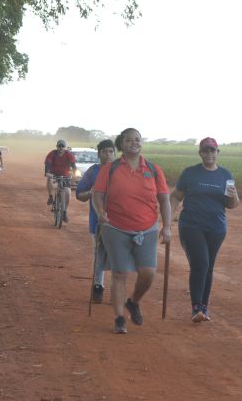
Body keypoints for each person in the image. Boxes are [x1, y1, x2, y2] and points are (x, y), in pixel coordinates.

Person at [92, 128, 171, 334]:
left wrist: (168, 226)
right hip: (115, 227)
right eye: (129, 140)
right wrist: (100, 212)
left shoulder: (153, 169)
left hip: (147, 228)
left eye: (137, 140)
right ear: (122, 143)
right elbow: (98, 194)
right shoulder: (110, 168)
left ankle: (133, 301)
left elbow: (164, 199)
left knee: (148, 272)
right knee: (119, 273)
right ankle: (119, 318)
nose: (134, 143)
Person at [169, 137, 240, 323]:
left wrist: (233, 197)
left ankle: (203, 308)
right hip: (191, 225)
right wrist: (167, 220)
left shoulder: (225, 175)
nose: (209, 154)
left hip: (216, 227)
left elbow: (232, 204)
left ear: (217, 153)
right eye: (205, 151)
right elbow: (175, 196)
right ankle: (196, 308)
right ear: (200, 153)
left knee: (208, 267)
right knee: (200, 262)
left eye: (212, 150)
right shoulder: (190, 173)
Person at [76, 139, 116, 303]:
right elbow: (79, 194)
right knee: (100, 254)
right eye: (104, 152)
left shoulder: (122, 171)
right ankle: (98, 285)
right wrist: (91, 193)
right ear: (99, 154)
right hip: (97, 221)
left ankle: (117, 288)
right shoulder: (93, 172)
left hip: (121, 221)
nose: (108, 155)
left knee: (119, 256)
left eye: (111, 151)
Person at [44, 139, 77, 223]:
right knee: (49, 179)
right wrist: (47, 172)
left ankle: (65, 212)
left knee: (68, 193)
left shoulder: (69, 154)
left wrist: (74, 174)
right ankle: (51, 197)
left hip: (65, 175)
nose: (61, 148)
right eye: (59, 146)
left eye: (63, 146)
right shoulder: (52, 153)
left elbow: (73, 166)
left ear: (65, 147)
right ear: (57, 147)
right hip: (53, 174)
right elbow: (47, 164)